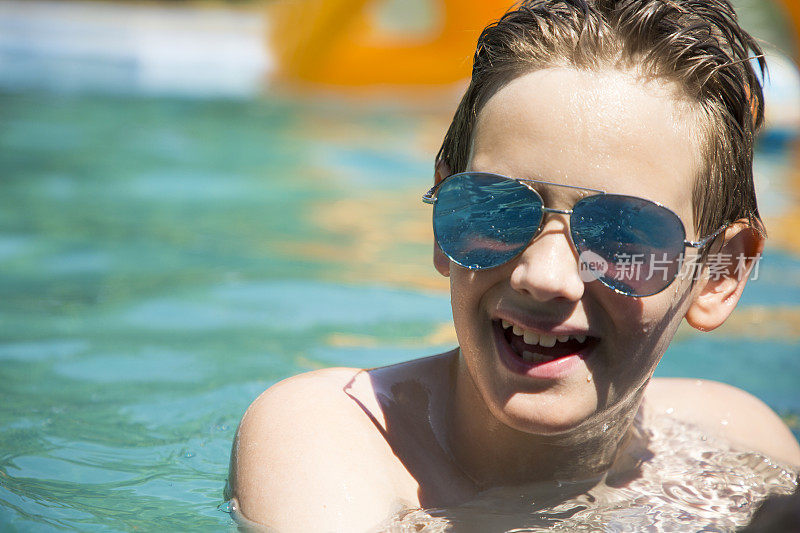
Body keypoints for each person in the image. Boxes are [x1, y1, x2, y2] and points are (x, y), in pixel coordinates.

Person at [225, 0, 800, 531]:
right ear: (439, 215)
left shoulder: (736, 447)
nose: (543, 275)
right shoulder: (329, 437)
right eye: (497, 208)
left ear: (721, 272)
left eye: (622, 233)